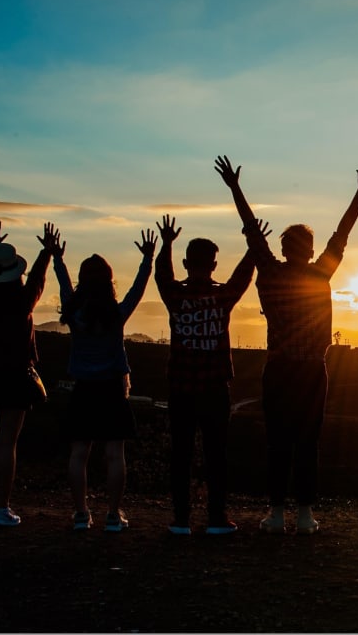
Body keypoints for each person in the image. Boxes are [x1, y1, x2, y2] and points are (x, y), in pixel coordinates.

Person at [215, 154, 358, 535]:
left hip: (279, 368)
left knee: (277, 442)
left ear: (284, 247)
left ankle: (276, 513)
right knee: (308, 442)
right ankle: (305, 514)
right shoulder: (321, 273)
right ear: (308, 249)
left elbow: (251, 232)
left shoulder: (270, 272)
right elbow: (342, 233)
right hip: (310, 372)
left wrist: (235, 188)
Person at [153, 214, 265, 536]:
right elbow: (244, 275)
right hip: (215, 388)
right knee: (216, 454)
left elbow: (162, 274)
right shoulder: (222, 296)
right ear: (214, 265)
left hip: (181, 388)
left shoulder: (175, 297)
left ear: (186, 263)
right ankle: (216, 518)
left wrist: (166, 244)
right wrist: (252, 245)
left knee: (181, 454)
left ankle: (180, 519)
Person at [54, 228, 158, 533]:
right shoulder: (116, 313)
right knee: (115, 455)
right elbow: (138, 290)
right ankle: (113, 515)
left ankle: (80, 514)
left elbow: (63, 285)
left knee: (79, 453)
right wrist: (147, 260)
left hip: (83, 389)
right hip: (113, 389)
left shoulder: (74, 312)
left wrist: (57, 259)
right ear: (108, 281)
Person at [0, 220, 59, 526]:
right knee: (7, 443)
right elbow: (37, 280)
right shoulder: (22, 301)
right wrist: (47, 251)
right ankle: (3, 506)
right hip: (15, 374)